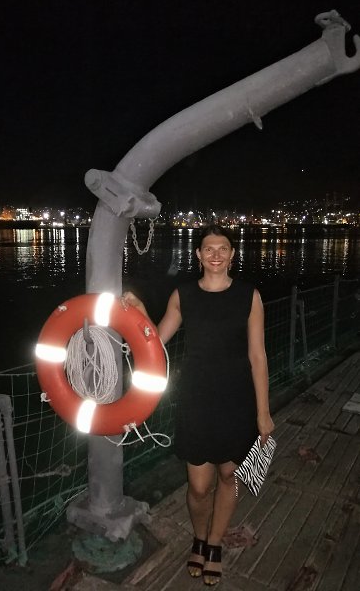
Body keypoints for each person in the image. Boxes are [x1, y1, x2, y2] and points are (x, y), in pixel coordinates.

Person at [122, 224, 275, 587]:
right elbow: (156, 341)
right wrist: (140, 311)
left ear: (232, 254)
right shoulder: (184, 294)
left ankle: (214, 544)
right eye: (209, 248)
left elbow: (258, 356)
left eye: (223, 248)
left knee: (228, 476)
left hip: (237, 399)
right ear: (198, 255)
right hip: (196, 398)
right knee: (199, 486)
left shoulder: (249, 295)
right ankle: (199, 537)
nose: (216, 254)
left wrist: (263, 412)